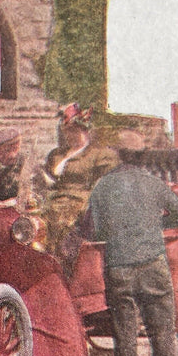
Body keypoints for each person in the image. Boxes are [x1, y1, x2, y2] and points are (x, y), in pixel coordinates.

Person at [86, 132, 178, 356]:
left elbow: (95, 230)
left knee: (124, 336)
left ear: (119, 155)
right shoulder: (153, 183)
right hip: (152, 265)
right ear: (141, 156)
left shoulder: (103, 187)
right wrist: (155, 223)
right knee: (162, 333)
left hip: (118, 266)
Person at [42, 102, 120, 255]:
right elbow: (46, 177)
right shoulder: (56, 154)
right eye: (66, 131)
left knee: (60, 222)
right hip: (51, 199)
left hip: (79, 202)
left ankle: (60, 258)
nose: (69, 135)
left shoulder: (99, 155)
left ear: (84, 130)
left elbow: (104, 184)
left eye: (73, 131)